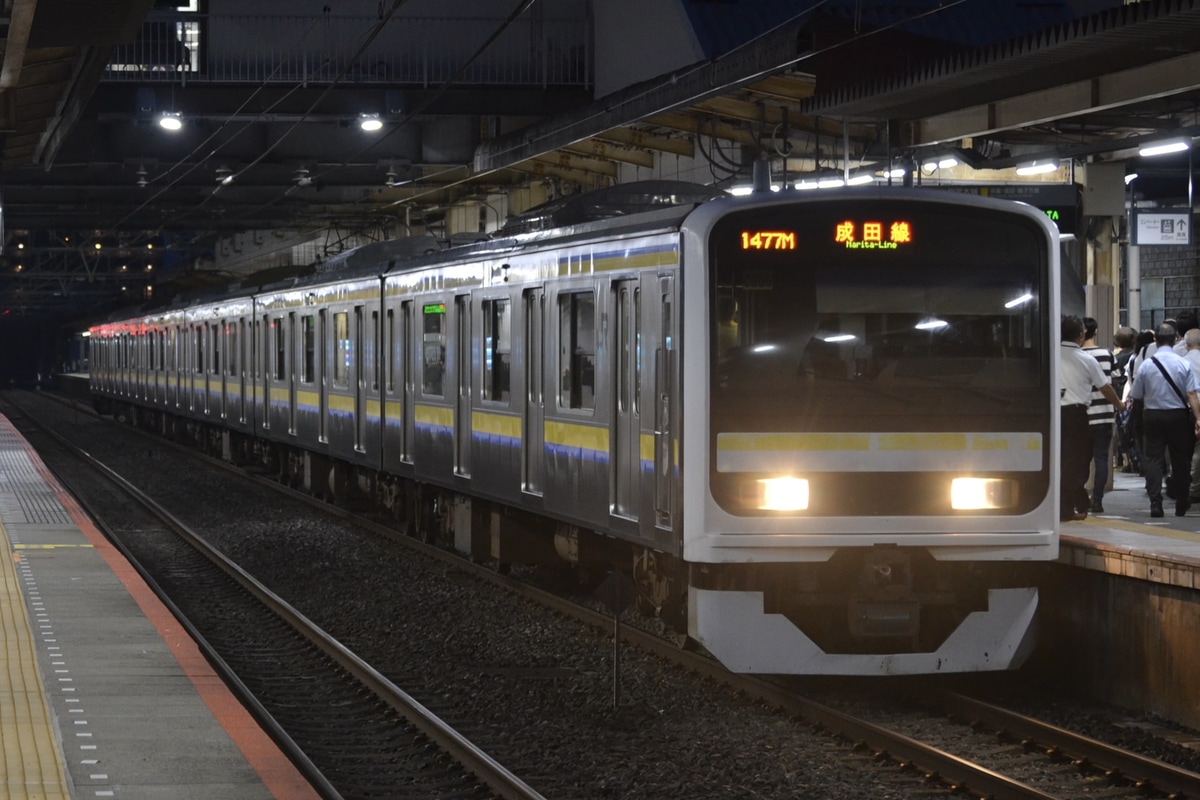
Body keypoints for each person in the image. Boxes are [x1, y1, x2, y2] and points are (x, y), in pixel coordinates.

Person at [1128, 322, 1200, 517]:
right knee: (1180, 459)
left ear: (1156, 341)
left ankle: (1155, 504)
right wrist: (1198, 418)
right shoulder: (1183, 363)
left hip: (1153, 415)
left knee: (1153, 459)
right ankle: (1182, 502)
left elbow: (1137, 394)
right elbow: (1191, 393)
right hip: (1178, 415)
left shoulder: (1147, 365)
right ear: (1175, 339)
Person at [1060, 316, 1123, 522]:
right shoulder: (1087, 359)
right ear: (1081, 335)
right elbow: (1105, 386)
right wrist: (1119, 405)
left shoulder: (1050, 355)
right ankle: (1074, 505)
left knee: (1059, 461)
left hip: (1052, 414)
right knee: (1075, 462)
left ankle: (1066, 506)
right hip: (1076, 415)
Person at [1082, 318, 1116, 512]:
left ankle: (1079, 497)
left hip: (1082, 415)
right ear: (1095, 332)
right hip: (1104, 414)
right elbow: (1115, 380)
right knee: (1101, 458)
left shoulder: (1074, 355)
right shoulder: (1106, 354)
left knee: (1081, 459)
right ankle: (1098, 500)